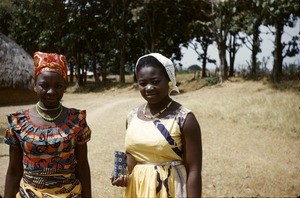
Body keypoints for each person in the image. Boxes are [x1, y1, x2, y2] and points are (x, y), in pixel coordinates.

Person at [111, 53, 202, 197]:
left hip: (171, 188)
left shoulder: (184, 118)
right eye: (143, 83)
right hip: (138, 189)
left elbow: (194, 170)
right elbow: (133, 155)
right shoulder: (132, 116)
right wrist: (122, 172)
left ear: (169, 80)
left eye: (155, 81)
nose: (149, 88)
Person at [4, 51, 92, 198]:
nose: (51, 91)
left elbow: (82, 166)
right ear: (35, 86)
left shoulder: (77, 120)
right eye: (44, 85)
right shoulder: (19, 123)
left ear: (65, 87)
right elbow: (14, 170)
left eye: (58, 86)